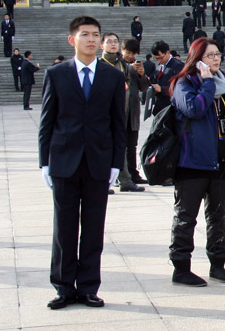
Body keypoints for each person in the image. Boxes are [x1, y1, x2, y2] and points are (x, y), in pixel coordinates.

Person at [38, 16, 126, 310]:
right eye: (85, 34)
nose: (91, 39)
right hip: (64, 161)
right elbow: (47, 122)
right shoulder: (56, 74)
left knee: (93, 227)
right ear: (72, 39)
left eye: (95, 35)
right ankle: (63, 286)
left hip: (98, 162)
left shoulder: (112, 76)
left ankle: (88, 286)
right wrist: (44, 163)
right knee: (63, 228)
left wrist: (116, 163)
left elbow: (118, 124)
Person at [168, 37, 225, 286]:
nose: (216, 59)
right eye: (210, 55)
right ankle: (181, 268)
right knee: (186, 218)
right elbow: (194, 109)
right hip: (191, 163)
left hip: (221, 162)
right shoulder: (184, 84)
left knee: (217, 217)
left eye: (217, 55)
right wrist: (205, 83)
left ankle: (218, 264)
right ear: (197, 59)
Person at [100, 33, 145, 193]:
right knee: (104, 148)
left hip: (123, 112)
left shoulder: (123, 66)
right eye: (109, 42)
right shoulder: (99, 64)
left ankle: (125, 180)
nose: (113, 44)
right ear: (102, 45)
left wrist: (141, 74)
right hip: (103, 114)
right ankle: (104, 181)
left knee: (122, 146)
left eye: (115, 42)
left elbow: (137, 87)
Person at [120, 39, 149, 184]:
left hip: (133, 111)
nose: (131, 56)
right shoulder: (116, 65)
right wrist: (129, 69)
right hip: (120, 111)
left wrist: (142, 75)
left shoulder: (136, 66)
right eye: (128, 52)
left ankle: (133, 173)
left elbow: (143, 88)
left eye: (133, 53)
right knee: (120, 144)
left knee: (132, 144)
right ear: (122, 50)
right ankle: (121, 175)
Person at [150, 41, 184, 115]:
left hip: (171, 109)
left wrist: (161, 89)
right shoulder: (160, 66)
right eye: (156, 59)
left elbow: (180, 88)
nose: (159, 61)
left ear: (167, 53)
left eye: (160, 58)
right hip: (160, 108)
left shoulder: (178, 66)